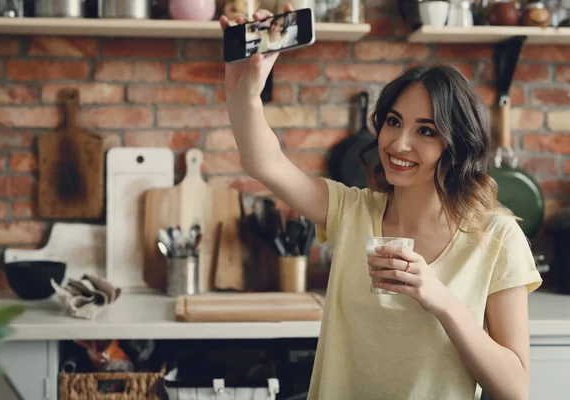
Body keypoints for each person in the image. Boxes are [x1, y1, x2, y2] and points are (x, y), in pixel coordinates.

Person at [219, 3, 542, 400]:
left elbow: (515, 388)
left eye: (426, 130)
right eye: (393, 121)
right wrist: (244, 91)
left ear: (456, 146)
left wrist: (439, 298)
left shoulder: (496, 237)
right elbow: (263, 162)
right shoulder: (352, 211)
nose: (399, 143)